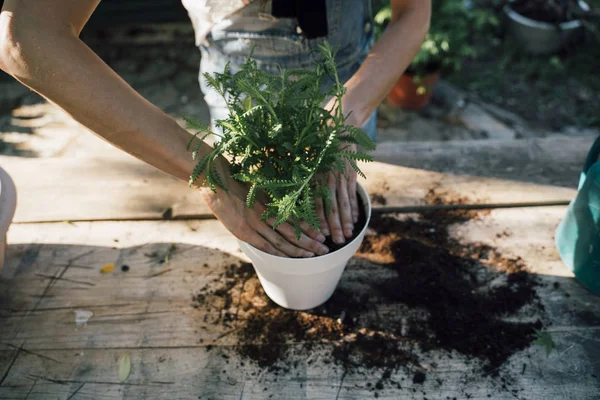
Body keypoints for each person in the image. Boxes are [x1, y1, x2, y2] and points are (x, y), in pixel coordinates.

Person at [0, 0, 430, 258]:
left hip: (354, 93)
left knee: (334, 224)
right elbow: (24, 36)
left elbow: (413, 12)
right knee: (271, 232)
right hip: (245, 115)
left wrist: (350, 109)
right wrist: (211, 173)